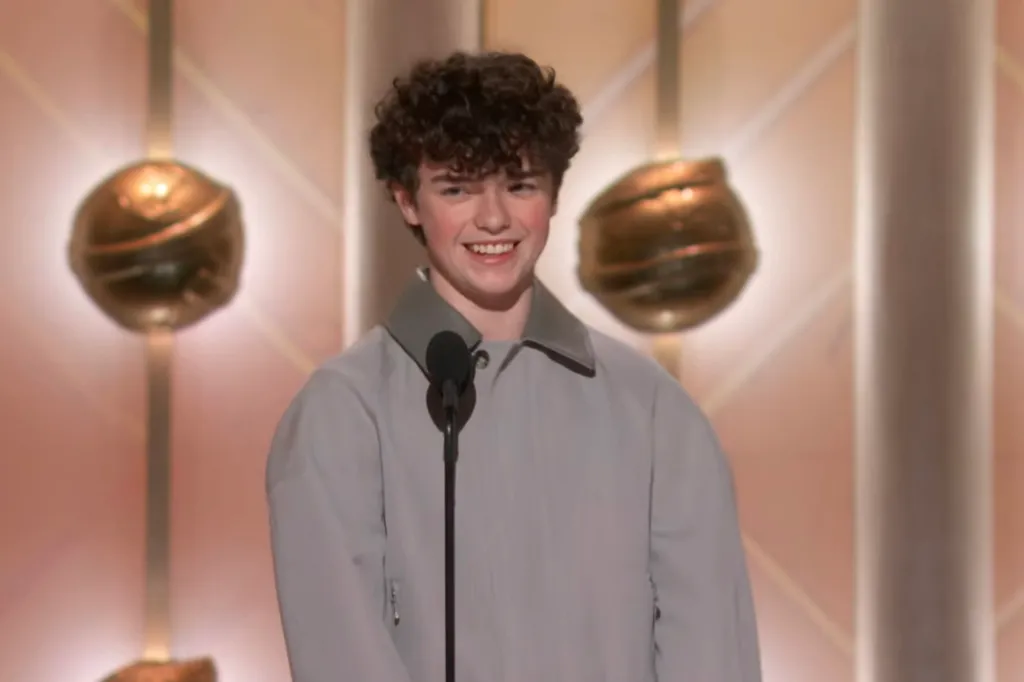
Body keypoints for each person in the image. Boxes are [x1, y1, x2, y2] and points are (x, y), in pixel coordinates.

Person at [266, 50, 762, 682]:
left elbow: (711, 654)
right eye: (457, 188)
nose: (494, 217)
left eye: (520, 184)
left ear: (554, 194)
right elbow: (342, 660)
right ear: (407, 201)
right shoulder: (340, 414)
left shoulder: (655, 412)